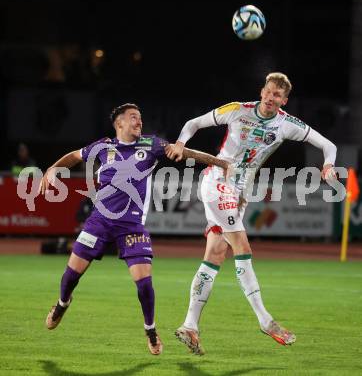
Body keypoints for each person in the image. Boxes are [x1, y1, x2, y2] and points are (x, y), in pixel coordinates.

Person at [166, 72, 337, 355]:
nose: (272, 98)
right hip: (217, 182)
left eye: (278, 96)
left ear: (284, 100)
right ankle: (264, 319)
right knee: (242, 247)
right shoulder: (237, 110)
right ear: (262, 92)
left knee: (216, 255)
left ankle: (190, 326)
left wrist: (328, 165)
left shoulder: (286, 124)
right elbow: (193, 124)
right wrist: (182, 143)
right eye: (269, 92)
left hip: (240, 194)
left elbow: (327, 145)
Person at [40, 103, 230, 356]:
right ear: (119, 124)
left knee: (144, 284)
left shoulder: (150, 144)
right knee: (70, 276)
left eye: (140, 118)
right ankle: (63, 303)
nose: (139, 122)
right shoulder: (104, 146)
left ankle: (150, 330)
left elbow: (187, 152)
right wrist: (53, 168)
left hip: (131, 225)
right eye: (133, 118)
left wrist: (220, 162)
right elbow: (75, 155)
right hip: (99, 221)